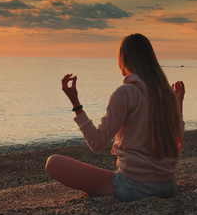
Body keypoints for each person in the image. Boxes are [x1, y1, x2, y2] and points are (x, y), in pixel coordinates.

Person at [45, 33, 185, 202]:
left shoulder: (126, 93)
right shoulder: (166, 93)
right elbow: (178, 142)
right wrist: (178, 103)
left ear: (123, 57)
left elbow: (96, 143)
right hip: (168, 186)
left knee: (52, 163)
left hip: (134, 187)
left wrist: (75, 102)